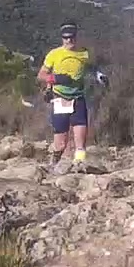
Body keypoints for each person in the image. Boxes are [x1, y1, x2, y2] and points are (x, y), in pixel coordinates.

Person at [38, 22, 104, 163]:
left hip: (78, 98)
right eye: (66, 38)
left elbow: (91, 67)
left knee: (80, 141)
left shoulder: (84, 53)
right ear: (62, 38)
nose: (69, 40)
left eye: (72, 37)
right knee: (61, 143)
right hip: (60, 98)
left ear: (76, 37)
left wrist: (99, 75)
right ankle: (53, 164)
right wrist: (55, 79)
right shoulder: (54, 54)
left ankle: (79, 166)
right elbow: (41, 75)